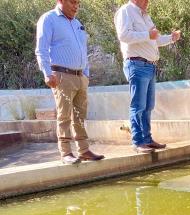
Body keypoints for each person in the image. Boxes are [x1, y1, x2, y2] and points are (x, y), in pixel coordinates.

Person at [35, 0, 104, 164]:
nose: (76, 6)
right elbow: (41, 49)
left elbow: (82, 49)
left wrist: (85, 74)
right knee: (64, 115)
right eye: (72, 2)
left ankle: (84, 150)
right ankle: (65, 152)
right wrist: (47, 73)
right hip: (61, 76)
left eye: (78, 3)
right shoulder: (48, 19)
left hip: (80, 77)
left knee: (80, 116)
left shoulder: (78, 23)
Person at [114, 0, 181, 153]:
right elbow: (123, 35)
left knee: (148, 106)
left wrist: (171, 38)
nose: (147, 2)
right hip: (136, 64)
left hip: (150, 66)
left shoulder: (145, 16)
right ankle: (137, 141)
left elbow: (154, 40)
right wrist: (147, 34)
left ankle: (147, 139)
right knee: (138, 105)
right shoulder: (126, 11)